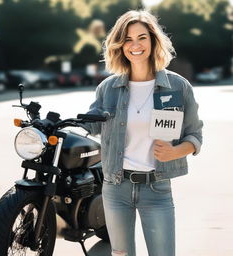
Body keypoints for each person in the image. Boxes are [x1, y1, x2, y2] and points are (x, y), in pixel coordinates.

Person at [85, 9, 203, 256]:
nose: (135, 45)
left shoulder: (176, 86)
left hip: (156, 188)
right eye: (127, 39)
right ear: (120, 45)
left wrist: (175, 151)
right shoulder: (108, 88)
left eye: (142, 37)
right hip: (115, 187)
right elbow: (91, 124)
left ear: (153, 41)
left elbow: (195, 135)